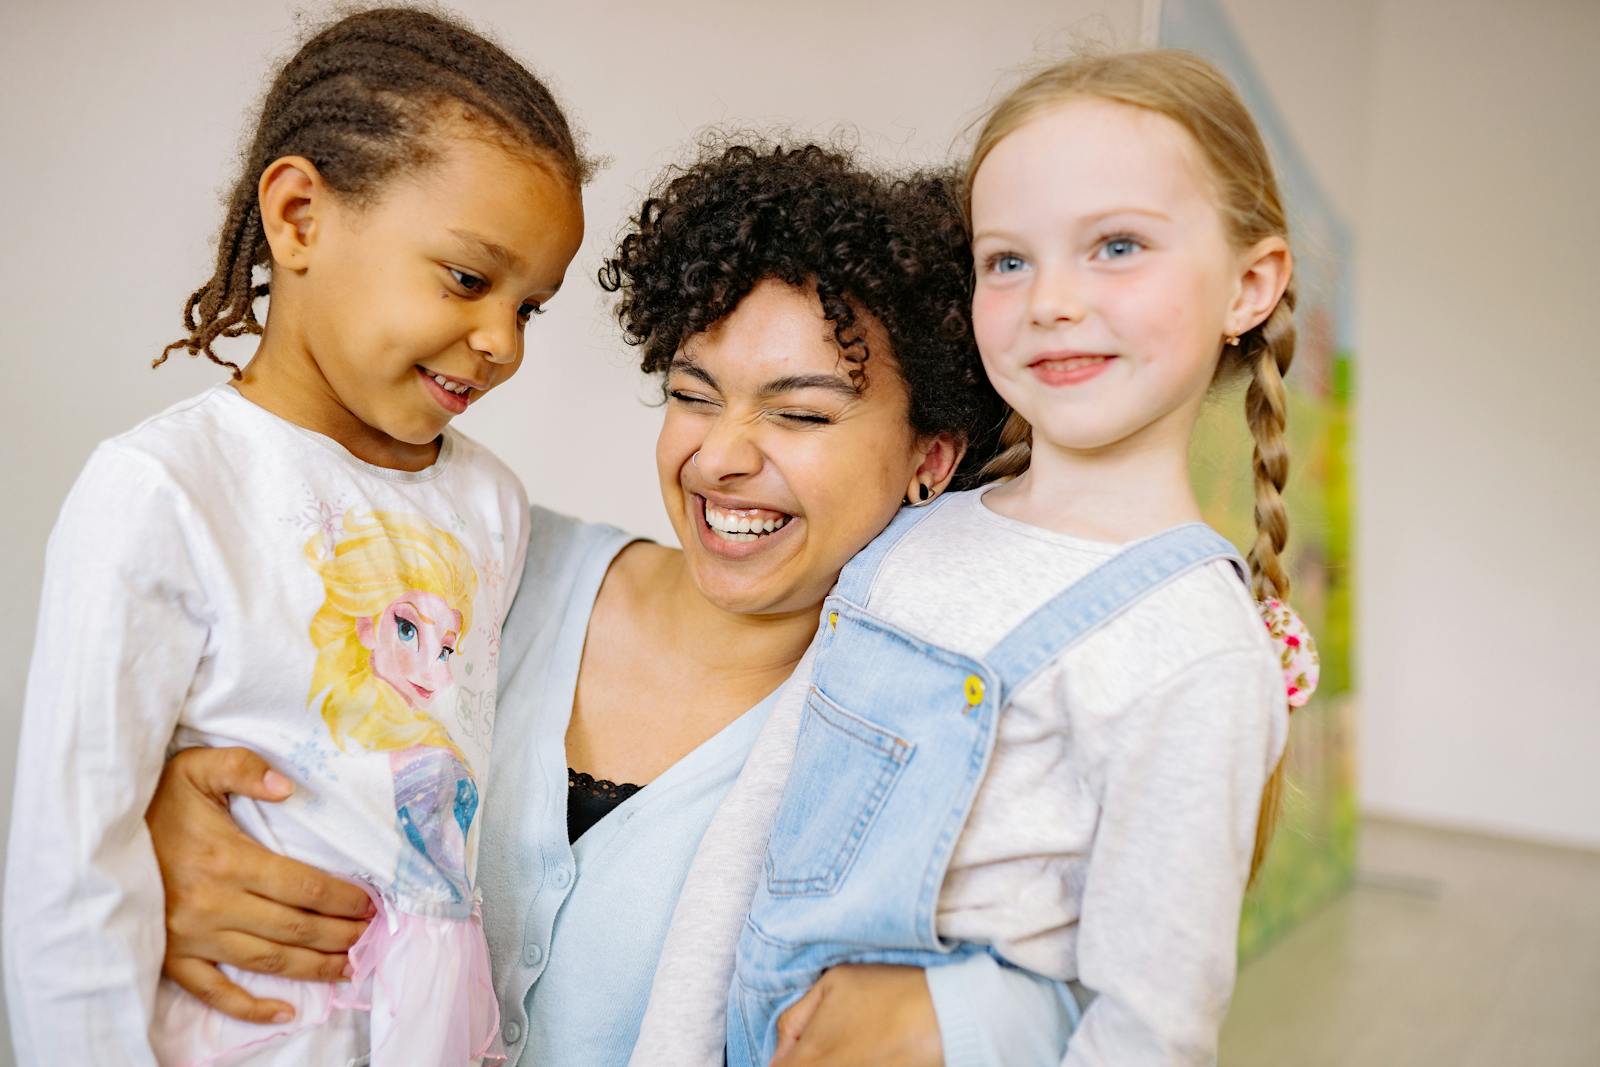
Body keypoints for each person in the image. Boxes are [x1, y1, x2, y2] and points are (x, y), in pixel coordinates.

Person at [142, 142, 1082, 1065]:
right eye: (692, 393)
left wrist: (950, 1013)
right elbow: (250, 707)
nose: (721, 457)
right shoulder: (480, 572)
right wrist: (158, 835)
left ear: (932, 458)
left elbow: (1087, 999)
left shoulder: (913, 737)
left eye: (800, 413)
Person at [630, 49, 1320, 1067]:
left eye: (1117, 244)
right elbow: (747, 844)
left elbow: (1149, 1032)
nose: (1050, 299)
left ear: (1249, 285)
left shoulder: (1191, 647)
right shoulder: (918, 533)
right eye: (1007, 260)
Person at [1, 8, 586, 1063]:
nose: (500, 341)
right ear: (300, 214)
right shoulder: (165, 491)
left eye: (530, 306)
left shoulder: (488, 501)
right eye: (466, 277)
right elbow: (71, 866)